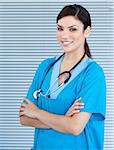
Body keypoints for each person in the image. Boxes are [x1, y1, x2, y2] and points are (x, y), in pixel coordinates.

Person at [19, 4, 106, 150]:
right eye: (60, 28)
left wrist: (37, 113)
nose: (64, 35)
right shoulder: (45, 67)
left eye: (73, 29)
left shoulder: (93, 74)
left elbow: (75, 127)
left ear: (87, 31)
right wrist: (63, 118)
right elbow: (24, 118)